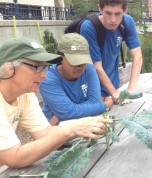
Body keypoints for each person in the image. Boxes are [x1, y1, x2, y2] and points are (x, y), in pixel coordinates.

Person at [0, 37, 112, 168]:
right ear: (9, 69)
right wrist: (69, 130)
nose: (44, 75)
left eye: (44, 68)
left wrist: (82, 126)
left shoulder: (25, 95)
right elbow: (14, 157)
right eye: (37, 67)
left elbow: (44, 133)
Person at [80, 0, 143, 103]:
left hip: (114, 87)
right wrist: (115, 94)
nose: (113, 20)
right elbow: (97, 66)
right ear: (100, 8)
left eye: (118, 14)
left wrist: (129, 91)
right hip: (92, 93)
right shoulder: (89, 27)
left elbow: (137, 55)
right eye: (108, 13)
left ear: (125, 11)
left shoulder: (127, 22)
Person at [40, 33, 113, 125]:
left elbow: (94, 100)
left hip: (85, 123)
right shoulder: (48, 81)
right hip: (55, 130)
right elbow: (67, 113)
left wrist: (73, 110)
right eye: (74, 61)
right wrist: (104, 106)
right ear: (60, 57)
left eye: (83, 60)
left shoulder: (89, 68)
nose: (80, 66)